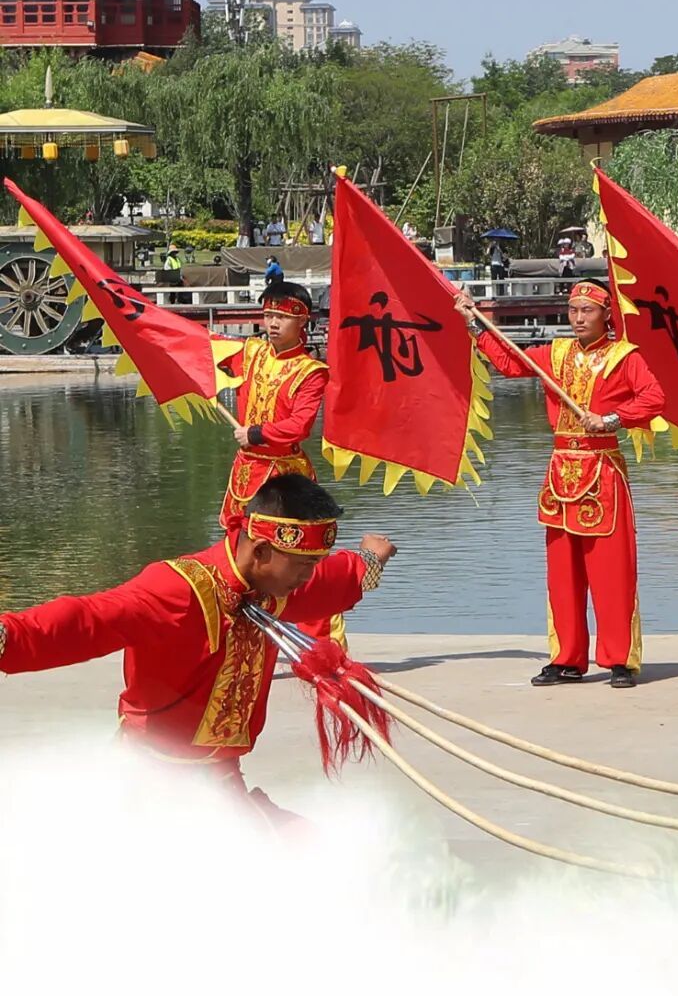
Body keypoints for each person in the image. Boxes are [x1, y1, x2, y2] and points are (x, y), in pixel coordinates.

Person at [0, 476, 396, 803]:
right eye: (303, 565)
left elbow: (337, 578)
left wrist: (370, 557)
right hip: (148, 777)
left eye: (314, 564)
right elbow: (91, 617)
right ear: (260, 551)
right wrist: (9, 635)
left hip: (220, 780)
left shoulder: (277, 584)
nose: (308, 576)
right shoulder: (179, 588)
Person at [455, 281, 666, 688]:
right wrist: (474, 323)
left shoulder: (624, 357)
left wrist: (610, 419)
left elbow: (654, 398)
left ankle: (619, 660)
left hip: (602, 470)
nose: (579, 318)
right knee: (563, 574)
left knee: (611, 572)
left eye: (588, 310)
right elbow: (510, 362)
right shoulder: (555, 354)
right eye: (573, 310)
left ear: (607, 315)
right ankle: (566, 658)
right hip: (560, 472)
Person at [219, 280, 327, 532]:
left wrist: (255, 433)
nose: (273, 324)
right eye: (268, 315)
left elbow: (299, 426)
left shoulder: (310, 372)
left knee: (282, 543)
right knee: (237, 538)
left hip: (284, 472)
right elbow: (200, 345)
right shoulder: (249, 352)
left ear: (302, 320)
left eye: (282, 317)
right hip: (246, 469)